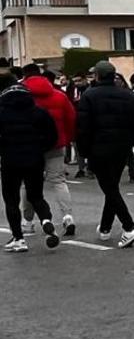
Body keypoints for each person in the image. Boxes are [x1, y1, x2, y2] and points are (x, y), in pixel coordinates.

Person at [76, 61, 134, 247]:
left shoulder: (89, 96)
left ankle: (129, 226)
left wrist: (84, 152)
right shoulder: (127, 96)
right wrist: (127, 142)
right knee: (111, 187)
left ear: (97, 76)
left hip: (99, 149)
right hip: (121, 148)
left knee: (110, 188)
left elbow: (83, 128)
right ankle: (105, 227)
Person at [0, 82, 60, 253]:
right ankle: (46, 221)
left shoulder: (2, 113)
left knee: (11, 199)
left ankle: (18, 238)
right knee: (36, 196)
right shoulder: (39, 113)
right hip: (34, 159)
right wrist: (40, 148)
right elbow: (52, 136)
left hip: (10, 160)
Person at [19, 65, 77, 237]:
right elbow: (71, 118)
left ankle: (28, 221)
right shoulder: (59, 96)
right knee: (59, 181)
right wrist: (67, 139)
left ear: (25, 76)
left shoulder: (22, 97)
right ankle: (67, 217)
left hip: (29, 146)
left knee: (28, 184)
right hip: (56, 144)